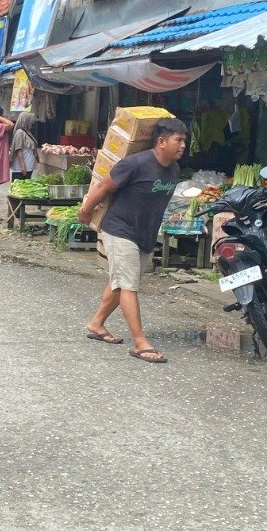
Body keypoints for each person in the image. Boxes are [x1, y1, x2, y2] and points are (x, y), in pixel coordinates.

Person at [77, 119, 188, 364]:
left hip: (145, 233)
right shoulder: (135, 164)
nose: (183, 146)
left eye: (184, 141)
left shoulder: (174, 170)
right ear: (161, 142)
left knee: (122, 282)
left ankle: (97, 323)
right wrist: (86, 210)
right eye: (177, 140)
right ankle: (140, 343)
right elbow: (105, 185)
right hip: (120, 229)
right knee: (128, 285)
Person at [9, 111, 38, 182]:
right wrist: (23, 165)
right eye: (30, 121)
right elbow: (19, 150)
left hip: (28, 166)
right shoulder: (19, 132)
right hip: (21, 168)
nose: (32, 123)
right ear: (25, 121)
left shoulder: (27, 132)